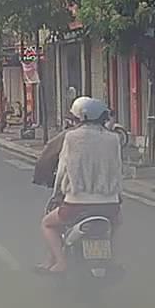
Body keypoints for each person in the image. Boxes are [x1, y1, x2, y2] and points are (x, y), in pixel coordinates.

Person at [36, 96, 123, 274]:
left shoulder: (71, 137)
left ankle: (60, 262)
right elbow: (117, 170)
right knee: (115, 224)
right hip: (110, 204)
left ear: (79, 118)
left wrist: (57, 193)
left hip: (76, 204)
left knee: (47, 224)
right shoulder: (114, 139)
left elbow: (63, 169)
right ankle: (110, 258)